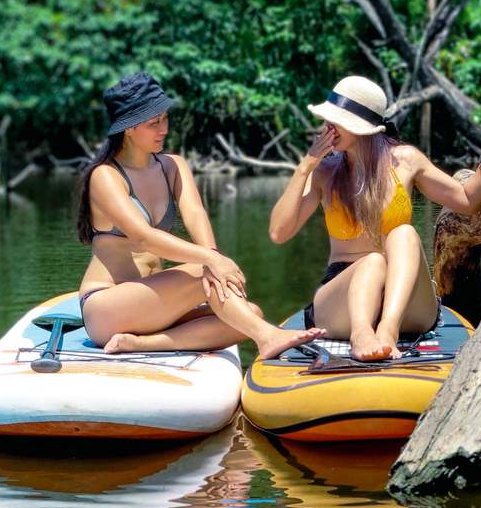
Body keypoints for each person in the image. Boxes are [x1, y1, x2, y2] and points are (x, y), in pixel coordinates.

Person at [268, 76, 481, 361]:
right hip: (342, 301)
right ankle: (362, 334)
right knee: (371, 261)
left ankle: (387, 331)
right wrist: (304, 168)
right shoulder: (324, 172)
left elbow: (466, 201)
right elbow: (279, 232)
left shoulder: (406, 160)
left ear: (362, 128)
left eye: (336, 121)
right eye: (328, 120)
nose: (327, 127)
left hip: (404, 302)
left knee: (404, 233)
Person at [78, 73, 326, 359]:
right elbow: (142, 237)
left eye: (165, 119)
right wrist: (211, 260)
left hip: (155, 308)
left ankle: (141, 344)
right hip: (106, 308)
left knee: (249, 313)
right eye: (153, 123)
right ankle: (268, 338)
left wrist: (214, 260)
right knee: (203, 272)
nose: (164, 129)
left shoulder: (173, 166)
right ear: (129, 129)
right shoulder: (105, 176)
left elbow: (195, 214)